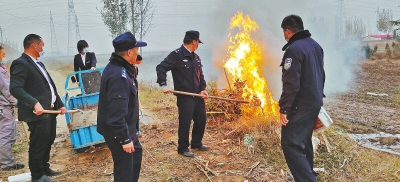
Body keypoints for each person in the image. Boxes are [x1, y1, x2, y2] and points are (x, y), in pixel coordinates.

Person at [10, 34, 67, 182]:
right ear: (34, 45)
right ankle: (37, 176)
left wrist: (59, 104)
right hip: (37, 113)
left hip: (50, 111)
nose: (43, 48)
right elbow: (15, 88)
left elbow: (49, 86)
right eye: (42, 45)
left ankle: (44, 167)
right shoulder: (21, 63)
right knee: (38, 143)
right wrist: (34, 102)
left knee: (49, 139)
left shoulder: (38, 63)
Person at [279, 15, 325, 182]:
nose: (284, 36)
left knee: (290, 143)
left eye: (284, 33)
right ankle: (307, 174)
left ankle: (306, 179)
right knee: (304, 140)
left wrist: (284, 109)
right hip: (314, 102)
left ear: (288, 31)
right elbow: (322, 75)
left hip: (300, 105)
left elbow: (291, 84)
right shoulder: (315, 46)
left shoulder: (294, 50)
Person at [97, 32, 147, 182]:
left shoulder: (119, 66)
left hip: (126, 127)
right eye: (136, 49)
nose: (138, 52)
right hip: (118, 131)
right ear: (129, 52)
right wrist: (124, 139)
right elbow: (116, 114)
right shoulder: (119, 75)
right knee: (124, 171)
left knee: (135, 155)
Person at [156, 30, 209, 158]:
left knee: (201, 119)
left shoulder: (196, 57)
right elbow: (161, 67)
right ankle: (183, 147)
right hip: (185, 97)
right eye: (197, 42)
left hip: (197, 96)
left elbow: (200, 75)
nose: (198, 45)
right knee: (185, 122)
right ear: (194, 41)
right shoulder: (177, 55)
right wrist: (163, 85)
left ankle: (196, 143)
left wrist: (203, 89)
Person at [0, 46, 24, 171]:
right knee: (6, 134)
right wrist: (18, 102)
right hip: (3, 108)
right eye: (2, 55)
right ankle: (7, 164)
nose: (4, 57)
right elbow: (8, 91)